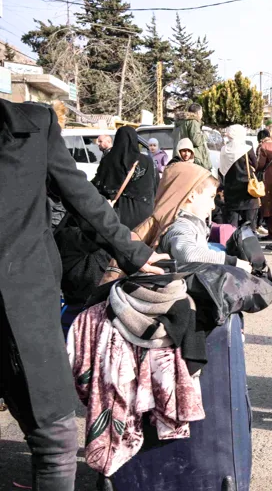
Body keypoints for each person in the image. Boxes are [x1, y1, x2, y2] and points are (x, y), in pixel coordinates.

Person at [0, 99, 167, 490]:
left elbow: (83, 198)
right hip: (22, 303)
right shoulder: (32, 123)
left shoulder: (33, 125)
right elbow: (82, 197)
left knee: (54, 438)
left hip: (23, 304)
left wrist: (134, 253)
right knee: (55, 439)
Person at [158, 172, 253, 272]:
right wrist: (232, 262)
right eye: (211, 197)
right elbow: (189, 254)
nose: (213, 206)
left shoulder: (189, 223)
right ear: (191, 196)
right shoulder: (181, 225)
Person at [92, 125, 157, 230]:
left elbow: (100, 185)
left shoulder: (110, 159)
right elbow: (154, 184)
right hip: (144, 213)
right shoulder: (147, 160)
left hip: (120, 214)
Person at [219, 125, 260, 229]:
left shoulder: (224, 150)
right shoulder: (247, 149)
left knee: (231, 226)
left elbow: (221, 170)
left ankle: (233, 244)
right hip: (248, 190)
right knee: (250, 225)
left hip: (231, 191)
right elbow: (256, 165)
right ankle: (249, 243)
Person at [172, 103, 210, 170]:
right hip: (193, 159)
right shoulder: (193, 122)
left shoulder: (179, 123)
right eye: (202, 112)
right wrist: (205, 136)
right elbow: (196, 140)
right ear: (198, 112)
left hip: (179, 157)